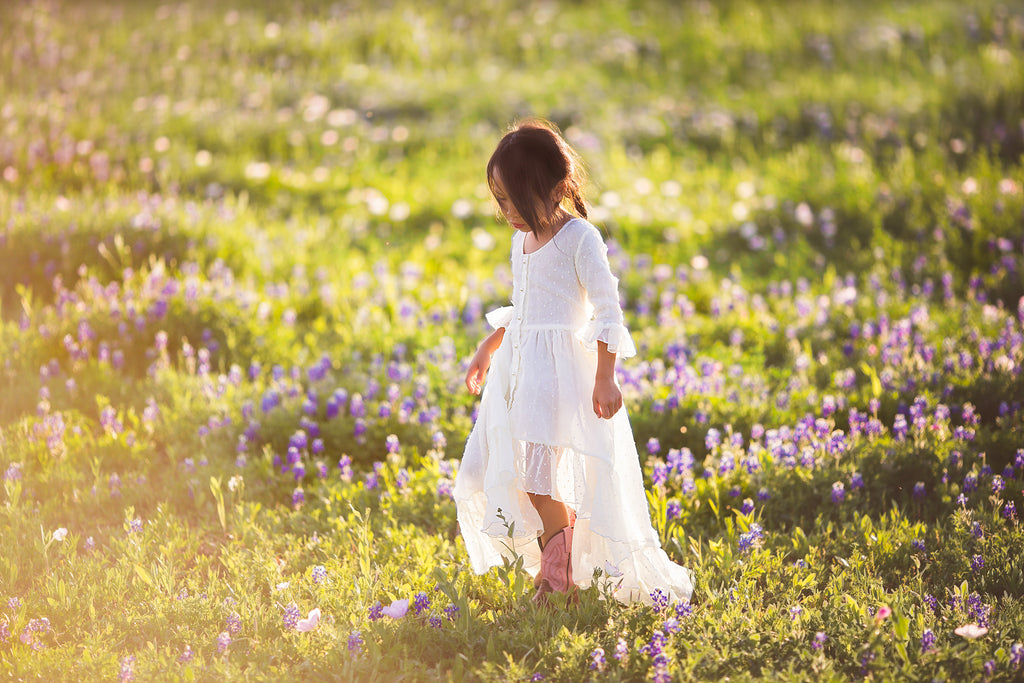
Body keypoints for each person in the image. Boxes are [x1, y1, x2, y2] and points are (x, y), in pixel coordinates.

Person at [453, 119, 693, 606]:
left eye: (512, 198)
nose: (506, 212)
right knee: (507, 473)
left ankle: (557, 578)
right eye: (499, 200)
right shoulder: (521, 241)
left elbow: (607, 310)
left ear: (554, 186)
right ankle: (560, 558)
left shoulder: (580, 238)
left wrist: (606, 377)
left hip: (562, 377)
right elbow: (526, 307)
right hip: (521, 374)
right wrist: (489, 344)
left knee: (538, 479)